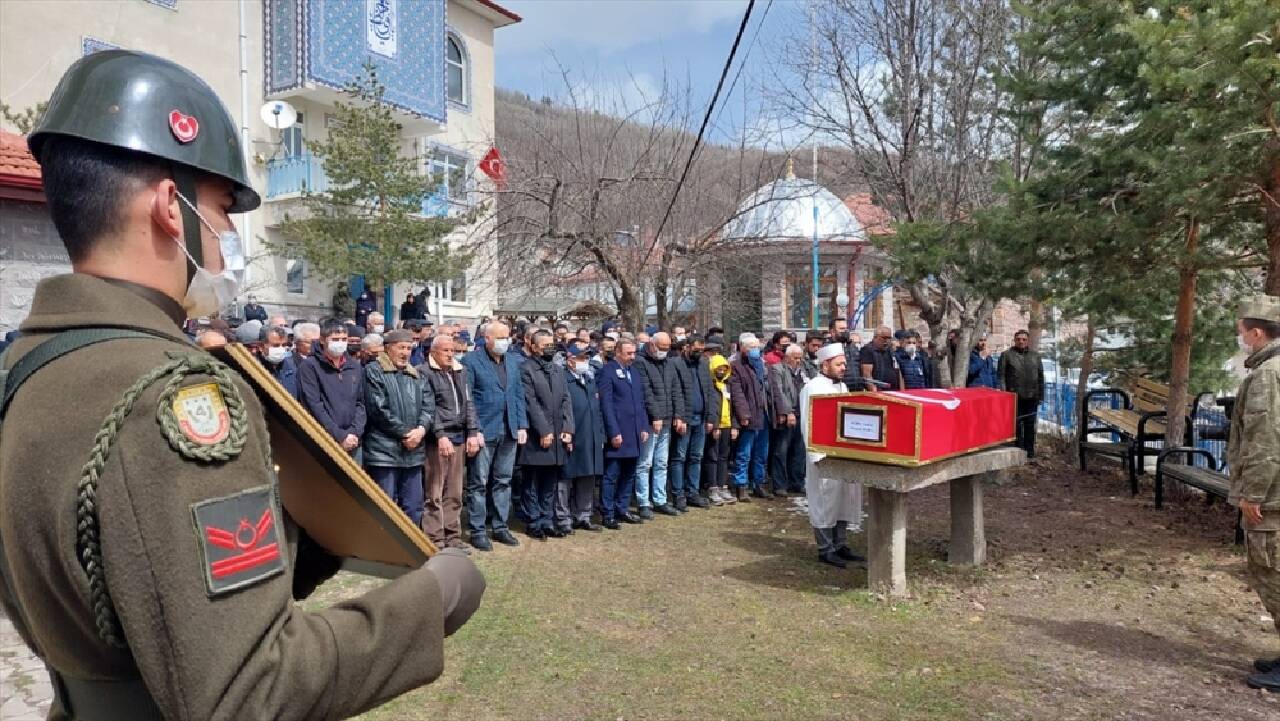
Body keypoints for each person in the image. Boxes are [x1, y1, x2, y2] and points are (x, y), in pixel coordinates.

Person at [0, 49, 481, 719]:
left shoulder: (26, 369)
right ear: (172, 206)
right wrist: (432, 602)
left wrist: (309, 542)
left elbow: (128, 578)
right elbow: (249, 689)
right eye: (224, 209)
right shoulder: (172, 395)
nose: (227, 236)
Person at [1229, 296, 1280, 692]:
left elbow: (1265, 440)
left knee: (1272, 573)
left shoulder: (1268, 375)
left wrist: (1252, 493)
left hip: (1273, 496)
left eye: (1242, 331)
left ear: (1257, 332)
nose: (1241, 337)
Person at [460, 321, 526, 551]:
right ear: (486, 339)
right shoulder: (471, 361)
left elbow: (517, 394)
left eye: (507, 337)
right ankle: (478, 530)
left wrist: (521, 425)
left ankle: (500, 527)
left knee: (503, 481)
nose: (504, 342)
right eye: (499, 337)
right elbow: (468, 400)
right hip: (484, 431)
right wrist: (473, 430)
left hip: (509, 429)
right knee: (478, 483)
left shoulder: (513, 361)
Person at [799, 344, 865, 569]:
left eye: (844, 363)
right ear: (825, 364)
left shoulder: (843, 386)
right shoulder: (813, 387)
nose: (843, 368)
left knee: (844, 499)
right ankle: (825, 548)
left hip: (842, 453)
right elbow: (809, 423)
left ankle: (840, 544)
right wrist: (818, 455)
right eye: (839, 364)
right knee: (825, 500)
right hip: (824, 455)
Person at [363, 329, 434, 526]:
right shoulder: (374, 371)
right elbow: (378, 409)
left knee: (413, 505)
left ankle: (410, 550)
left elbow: (429, 406)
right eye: (401, 348)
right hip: (384, 451)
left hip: (413, 452)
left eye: (409, 348)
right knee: (385, 505)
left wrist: (420, 430)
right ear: (387, 349)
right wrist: (404, 433)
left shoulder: (416, 374)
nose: (405, 353)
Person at [420, 335, 482, 550]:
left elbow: (469, 403)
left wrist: (473, 431)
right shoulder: (424, 372)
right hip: (437, 440)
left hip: (459, 438)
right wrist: (440, 435)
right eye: (445, 350)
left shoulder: (460, 371)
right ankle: (434, 539)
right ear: (433, 352)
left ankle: (453, 537)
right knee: (434, 493)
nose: (450, 354)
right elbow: (429, 408)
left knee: (454, 492)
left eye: (452, 350)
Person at [518, 330, 575, 539]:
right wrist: (543, 430)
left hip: (558, 434)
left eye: (552, 344)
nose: (549, 348)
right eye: (545, 345)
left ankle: (546, 519)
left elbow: (566, 400)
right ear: (533, 347)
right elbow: (530, 403)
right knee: (532, 482)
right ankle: (533, 521)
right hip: (537, 435)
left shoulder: (558, 370)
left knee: (550, 482)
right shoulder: (526, 369)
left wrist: (568, 428)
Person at [598, 339, 650, 528]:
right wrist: (613, 431)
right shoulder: (607, 371)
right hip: (619, 432)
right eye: (628, 353)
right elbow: (606, 405)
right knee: (611, 475)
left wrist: (644, 427)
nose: (632, 356)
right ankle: (608, 512)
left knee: (629, 474)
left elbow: (641, 403)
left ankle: (622, 508)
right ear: (618, 352)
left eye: (634, 353)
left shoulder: (634, 373)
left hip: (634, 432)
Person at [298, 319, 367, 460]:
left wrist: (354, 433)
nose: (340, 343)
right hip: (326, 441)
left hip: (354, 441)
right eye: (335, 339)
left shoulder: (354, 366)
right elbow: (314, 405)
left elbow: (360, 402)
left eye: (344, 339)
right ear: (323, 340)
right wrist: (339, 436)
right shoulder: (310, 367)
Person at [633, 332, 684, 517]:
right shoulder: (640, 362)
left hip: (668, 419)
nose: (664, 352)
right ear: (652, 345)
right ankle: (643, 502)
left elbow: (676, 390)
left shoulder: (669, 362)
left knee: (662, 462)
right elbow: (646, 392)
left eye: (667, 348)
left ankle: (660, 499)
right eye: (661, 348)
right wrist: (655, 416)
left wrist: (679, 415)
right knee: (645, 463)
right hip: (650, 421)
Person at [559, 341, 605, 533]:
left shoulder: (590, 378)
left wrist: (601, 435)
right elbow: (561, 409)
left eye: (587, 357)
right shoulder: (562, 379)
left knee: (587, 476)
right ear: (570, 360)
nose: (585, 361)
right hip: (572, 435)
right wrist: (566, 433)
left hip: (591, 435)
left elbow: (598, 409)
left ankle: (583, 515)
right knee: (565, 480)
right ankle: (563, 518)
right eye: (581, 358)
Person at [670, 335, 710, 510]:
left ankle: (692, 492)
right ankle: (678, 494)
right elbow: (675, 392)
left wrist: (711, 418)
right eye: (696, 349)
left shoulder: (703, 363)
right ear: (686, 347)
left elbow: (709, 391)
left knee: (696, 457)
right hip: (684, 418)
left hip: (701, 418)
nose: (699, 353)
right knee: (679, 457)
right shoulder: (675, 364)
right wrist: (680, 417)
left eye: (701, 350)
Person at [729, 333, 770, 501]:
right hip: (749, 415)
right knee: (744, 453)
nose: (756, 350)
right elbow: (737, 394)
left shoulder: (761, 364)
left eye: (757, 347)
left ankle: (758, 483)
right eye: (752, 347)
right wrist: (744, 414)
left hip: (764, 413)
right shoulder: (736, 366)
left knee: (761, 453)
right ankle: (741, 485)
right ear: (743, 349)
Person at [701, 335, 737, 506]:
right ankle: (712, 487)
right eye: (718, 368)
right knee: (712, 456)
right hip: (715, 426)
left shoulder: (727, 385)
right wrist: (714, 425)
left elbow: (733, 407)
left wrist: (735, 426)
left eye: (724, 368)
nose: (721, 371)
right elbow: (710, 407)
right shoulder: (710, 386)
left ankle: (723, 485)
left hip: (728, 426)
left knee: (724, 456)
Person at [769, 344, 808, 496]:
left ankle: (796, 482)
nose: (798, 361)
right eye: (795, 358)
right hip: (786, 415)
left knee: (799, 451)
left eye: (800, 358)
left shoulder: (802, 370)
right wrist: (787, 412)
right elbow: (778, 392)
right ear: (787, 357)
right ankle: (779, 484)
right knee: (781, 451)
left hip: (801, 413)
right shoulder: (777, 369)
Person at [997, 329, 1044, 458]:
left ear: (1027, 341)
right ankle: (1018, 450)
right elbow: (1001, 376)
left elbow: (1041, 377)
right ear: (1015, 340)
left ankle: (1030, 451)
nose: (1021, 341)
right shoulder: (1006, 355)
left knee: (1030, 424)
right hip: (1014, 396)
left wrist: (1041, 396)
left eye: (1024, 339)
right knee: (1016, 425)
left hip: (1032, 396)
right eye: (1018, 339)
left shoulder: (1035, 356)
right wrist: (1004, 395)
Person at [859, 326, 902, 391]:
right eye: (884, 338)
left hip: (892, 389)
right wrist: (874, 390)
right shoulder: (867, 350)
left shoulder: (889, 349)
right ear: (875, 337)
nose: (887, 341)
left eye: (889, 338)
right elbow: (867, 375)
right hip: (879, 390)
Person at [261, 325, 300, 397]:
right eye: (276, 345)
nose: (281, 349)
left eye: (284, 345)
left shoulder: (293, 367)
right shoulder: (255, 367)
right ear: (262, 347)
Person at [829, 317, 862, 389]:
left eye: (846, 328)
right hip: (839, 389)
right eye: (841, 329)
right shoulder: (828, 348)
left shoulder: (853, 346)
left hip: (858, 389)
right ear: (832, 331)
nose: (845, 331)